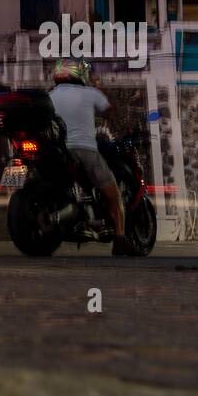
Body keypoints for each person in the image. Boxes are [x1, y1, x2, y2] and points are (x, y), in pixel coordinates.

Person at [48, 58, 137, 256]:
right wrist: (99, 90)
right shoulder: (90, 93)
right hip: (85, 149)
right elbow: (109, 112)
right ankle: (120, 239)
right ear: (79, 74)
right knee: (114, 194)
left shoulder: (50, 96)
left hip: (60, 152)